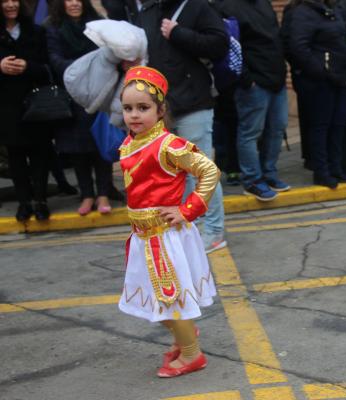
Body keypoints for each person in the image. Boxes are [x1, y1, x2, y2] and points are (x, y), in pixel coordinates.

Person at [118, 66, 219, 378]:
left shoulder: (168, 145)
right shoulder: (130, 143)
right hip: (142, 236)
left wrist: (187, 210)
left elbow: (209, 171)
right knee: (147, 299)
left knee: (168, 297)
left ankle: (191, 354)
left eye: (143, 108)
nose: (134, 115)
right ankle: (183, 335)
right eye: (128, 108)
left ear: (161, 110)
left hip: (164, 235)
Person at [136, 0, 229, 252]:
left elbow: (220, 44)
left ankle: (214, 231)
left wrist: (178, 33)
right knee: (171, 172)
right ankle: (192, 225)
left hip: (194, 102)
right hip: (161, 106)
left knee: (199, 171)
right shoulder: (147, 12)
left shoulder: (198, 7)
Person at [46, 0, 114, 216]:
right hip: (71, 94)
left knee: (100, 144)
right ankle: (86, 194)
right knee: (77, 148)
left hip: (99, 91)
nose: (74, 3)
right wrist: (82, 68)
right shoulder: (53, 27)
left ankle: (103, 193)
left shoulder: (98, 24)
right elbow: (54, 59)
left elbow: (108, 53)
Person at [219, 0, 290, 201]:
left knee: (277, 128)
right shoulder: (228, 7)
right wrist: (246, 79)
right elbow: (230, 45)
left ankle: (269, 173)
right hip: (254, 83)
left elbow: (275, 39)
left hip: (276, 80)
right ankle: (252, 180)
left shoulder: (264, 4)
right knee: (250, 132)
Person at [285, 0, 346, 189]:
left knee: (338, 124)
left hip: (339, 78)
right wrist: (321, 71)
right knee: (321, 127)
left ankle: (336, 167)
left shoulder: (332, 9)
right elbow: (298, 47)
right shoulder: (302, 12)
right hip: (319, 82)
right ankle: (321, 172)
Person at [1, 0, 52, 221]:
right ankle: (24, 202)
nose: (11, 5)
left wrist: (28, 66)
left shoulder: (37, 31)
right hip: (6, 105)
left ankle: (40, 200)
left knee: (40, 153)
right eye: (5, 1)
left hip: (35, 103)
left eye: (15, 1)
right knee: (16, 156)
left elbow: (48, 67)